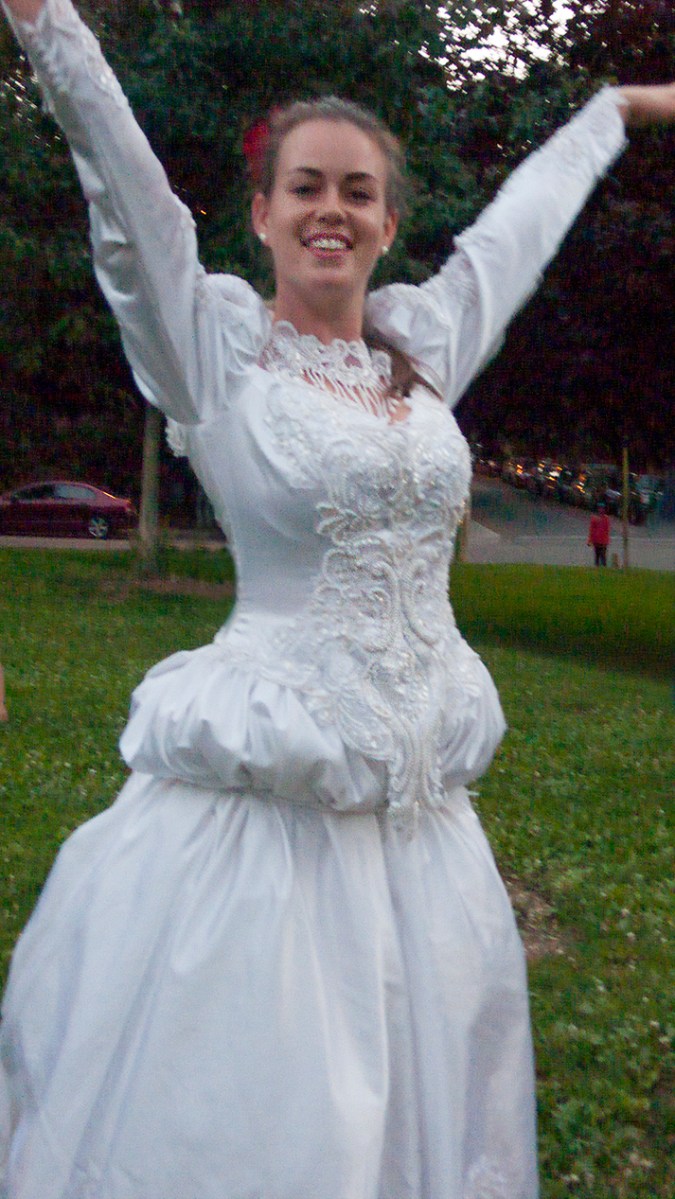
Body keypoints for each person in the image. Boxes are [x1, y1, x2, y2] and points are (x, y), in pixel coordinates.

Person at [1, 2, 674, 1196]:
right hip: (273, 811)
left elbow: (510, 242)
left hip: (425, 832)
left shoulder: (419, 346)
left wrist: (606, 116)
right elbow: (131, 202)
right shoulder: (214, 352)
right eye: (305, 187)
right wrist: (51, 28)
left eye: (358, 192)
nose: (332, 209)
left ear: (386, 223)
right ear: (261, 215)